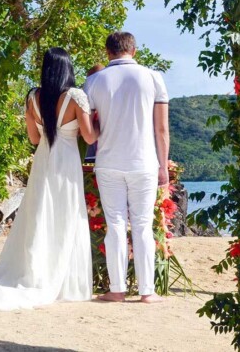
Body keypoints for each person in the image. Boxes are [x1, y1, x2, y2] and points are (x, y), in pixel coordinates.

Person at [0, 47, 97, 310]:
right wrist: (99, 122)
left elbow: (34, 138)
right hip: (66, 163)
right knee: (65, 214)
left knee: (39, 214)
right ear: (68, 68)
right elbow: (89, 137)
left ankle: (35, 270)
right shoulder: (76, 97)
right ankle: (64, 280)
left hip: (43, 160)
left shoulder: (33, 97)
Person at [84, 31, 169, 303]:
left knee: (115, 225)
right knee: (143, 225)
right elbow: (161, 128)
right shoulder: (153, 77)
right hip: (144, 162)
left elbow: (90, 128)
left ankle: (117, 289)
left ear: (108, 52)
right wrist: (163, 165)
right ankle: (147, 292)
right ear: (133, 50)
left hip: (108, 162)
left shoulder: (94, 81)